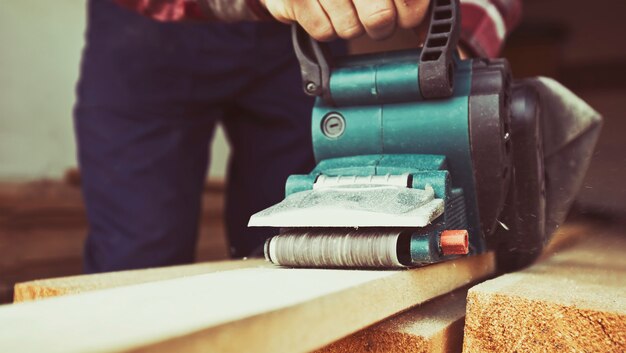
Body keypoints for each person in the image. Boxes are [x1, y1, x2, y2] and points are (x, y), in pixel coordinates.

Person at [76, 0, 522, 273]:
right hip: (147, 37)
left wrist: (458, 36)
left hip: (303, 40)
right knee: (136, 257)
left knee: (294, 252)